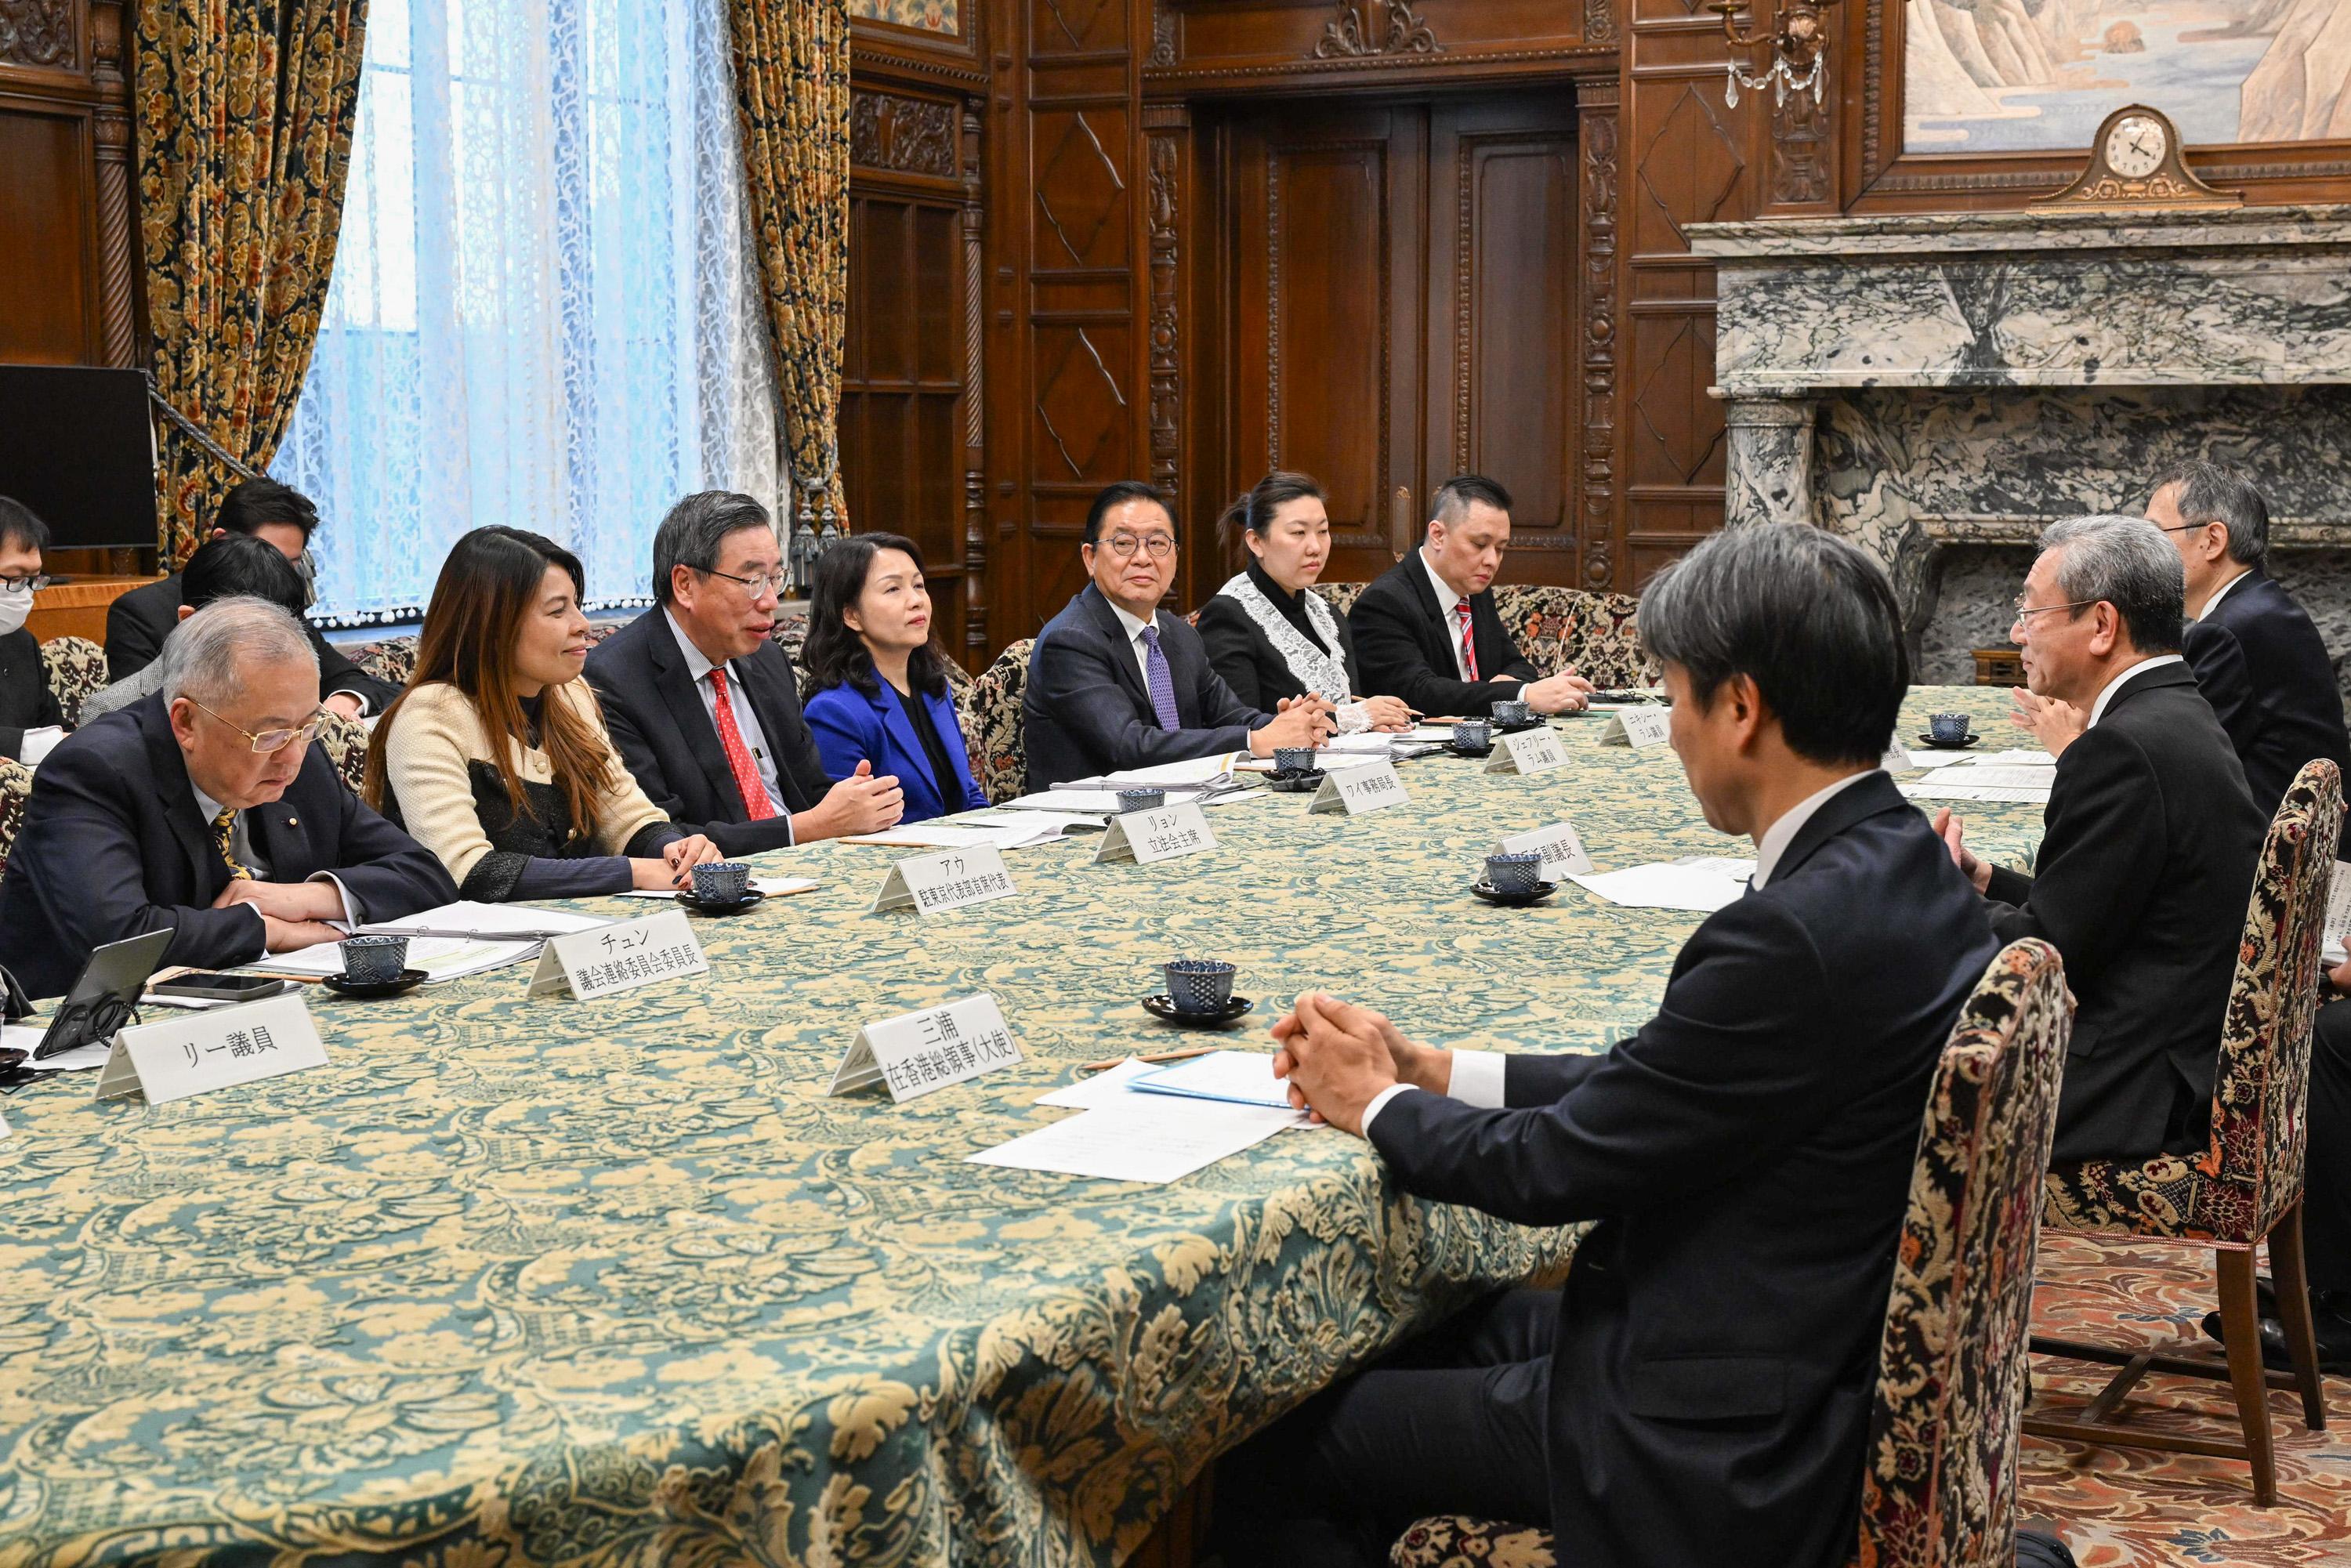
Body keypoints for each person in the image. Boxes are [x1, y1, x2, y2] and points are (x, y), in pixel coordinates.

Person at [1219, 525, 2001, 1568]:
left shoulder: (1790, 936)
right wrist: (1432, 1070)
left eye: (1676, 696)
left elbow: (1555, 1168)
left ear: (1741, 707)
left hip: (1711, 1423)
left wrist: (1370, 1104)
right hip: (1794, 1336)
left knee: (1263, 1449)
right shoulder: (1906, 859)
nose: (1672, 729)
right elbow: (1667, 1083)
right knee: (1421, 1335)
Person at [1935, 516, 2264, 1165]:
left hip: (2126, 1089)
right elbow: (2104, 906)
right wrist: (1982, 882)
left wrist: (1936, 898)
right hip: (2179, 1050)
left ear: (2103, 625)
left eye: (2029, 610)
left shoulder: (2121, 749)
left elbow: (2049, 957)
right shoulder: (2176, 710)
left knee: (1867, 1067)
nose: (2014, 632)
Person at [0, 597, 456, 998]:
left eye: (307, 726)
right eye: (271, 734)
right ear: (186, 723)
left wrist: (306, 898)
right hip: (84, 1036)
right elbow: (119, 938)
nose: (292, 757)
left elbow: (426, 875)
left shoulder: (299, 750)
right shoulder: (95, 770)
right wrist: (265, 928)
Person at [367, 527, 724, 902]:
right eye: (558, 611)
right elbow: (466, 872)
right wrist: (631, 871)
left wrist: (674, 850)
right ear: (493, 626)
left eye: (576, 605)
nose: (582, 624)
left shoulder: (570, 695)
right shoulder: (430, 716)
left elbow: (626, 816)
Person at [585, 491, 903, 853]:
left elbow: (809, 789)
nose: (770, 601)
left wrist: (857, 802)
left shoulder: (768, 660)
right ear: (685, 584)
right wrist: (807, 827)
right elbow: (659, 835)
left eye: (774, 578)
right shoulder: (612, 680)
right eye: (752, 581)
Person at [1022, 480, 1333, 788]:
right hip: (1086, 821)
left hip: (1174, 810)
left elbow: (1230, 715)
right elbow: (1128, 746)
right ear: (1090, 558)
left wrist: (1290, 724)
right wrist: (1256, 740)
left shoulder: (1178, 635)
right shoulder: (1070, 641)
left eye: (1157, 544)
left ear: (1175, 556)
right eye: (1124, 543)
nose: (1143, 558)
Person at [103, 476, 400, 715]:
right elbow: (139, 717)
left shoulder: (280, 602)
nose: (275, 571)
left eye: (291, 563)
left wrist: (343, 703)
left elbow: (359, 681)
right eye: (266, 552)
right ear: (222, 540)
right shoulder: (140, 613)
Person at [2154, 461, 2349, 824]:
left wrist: (2075, 743)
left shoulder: (2228, 631)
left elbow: (2179, 769)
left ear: (2212, 540)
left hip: (2264, 859)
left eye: (2154, 535)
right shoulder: (2260, 606)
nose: (2144, 553)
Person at [1347, 475, 1593, 719]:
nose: (1492, 561)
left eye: (1500, 548)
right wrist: (1517, 694)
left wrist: (1509, 686)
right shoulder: (1384, 603)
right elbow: (1419, 693)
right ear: (1438, 535)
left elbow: (1518, 666)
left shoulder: (1474, 590)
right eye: (1479, 544)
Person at [1194, 472, 1412, 733]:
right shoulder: (1228, 615)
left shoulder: (1328, 615)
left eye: (1323, 531)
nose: (1315, 547)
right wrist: (1354, 718)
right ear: (1256, 542)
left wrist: (1380, 720)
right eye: (1298, 532)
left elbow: (1352, 702)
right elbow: (1240, 727)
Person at [802, 533, 988, 824]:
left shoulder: (933, 689)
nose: (916, 601)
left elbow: (968, 795)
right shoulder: (834, 712)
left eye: (918, 585)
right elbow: (845, 829)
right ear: (851, 615)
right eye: (893, 590)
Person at [81, 534, 309, 723]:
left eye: (281, 634)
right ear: (189, 620)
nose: (269, 649)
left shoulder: (299, 703)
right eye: (250, 634)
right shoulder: (112, 712)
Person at [0, 496, 67, 764]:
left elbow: (56, 725)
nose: (26, 593)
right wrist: (36, 745)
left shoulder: (21, 643)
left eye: (33, 579)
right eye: (15, 578)